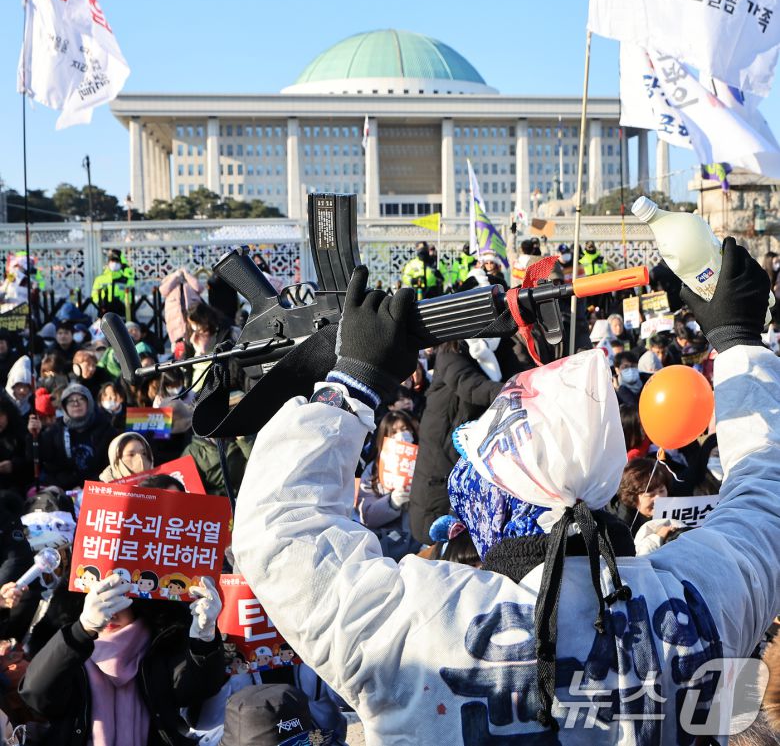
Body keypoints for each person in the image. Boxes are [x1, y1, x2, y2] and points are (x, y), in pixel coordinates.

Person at [232, 238, 780, 743]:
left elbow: (280, 534)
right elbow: (766, 501)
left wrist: (353, 380)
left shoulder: (417, 623)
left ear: (499, 497)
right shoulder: (696, 598)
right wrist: (739, 342)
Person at [18, 571, 225, 746]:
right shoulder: (70, 651)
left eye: (119, 599)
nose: (112, 613)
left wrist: (204, 640)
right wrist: (81, 631)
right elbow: (37, 695)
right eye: (101, 601)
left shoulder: (160, 644)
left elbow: (196, 690)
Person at [409, 337, 512, 544]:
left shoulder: (495, 349)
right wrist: (516, 392)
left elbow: (518, 370)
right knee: (436, 529)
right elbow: (471, 386)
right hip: (441, 454)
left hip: (468, 452)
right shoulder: (450, 351)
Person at [356, 410, 420, 561]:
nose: (401, 435)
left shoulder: (426, 461)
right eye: (394, 432)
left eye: (404, 429)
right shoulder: (374, 470)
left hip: (421, 540)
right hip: (391, 545)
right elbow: (366, 515)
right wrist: (392, 503)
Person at [31, 384, 115, 490]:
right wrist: (35, 435)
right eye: (71, 400)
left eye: (81, 399)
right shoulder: (55, 430)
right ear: (64, 406)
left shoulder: (105, 429)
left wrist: (88, 487)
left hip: (97, 489)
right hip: (62, 489)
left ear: (89, 403)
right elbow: (39, 458)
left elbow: (110, 466)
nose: (76, 404)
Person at [91, 249, 135, 316]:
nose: (114, 263)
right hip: (104, 312)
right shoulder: (99, 279)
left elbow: (130, 298)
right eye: (112, 261)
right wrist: (101, 302)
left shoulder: (126, 279)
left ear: (121, 264)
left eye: (117, 261)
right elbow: (94, 296)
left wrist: (121, 303)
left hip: (122, 313)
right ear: (108, 263)